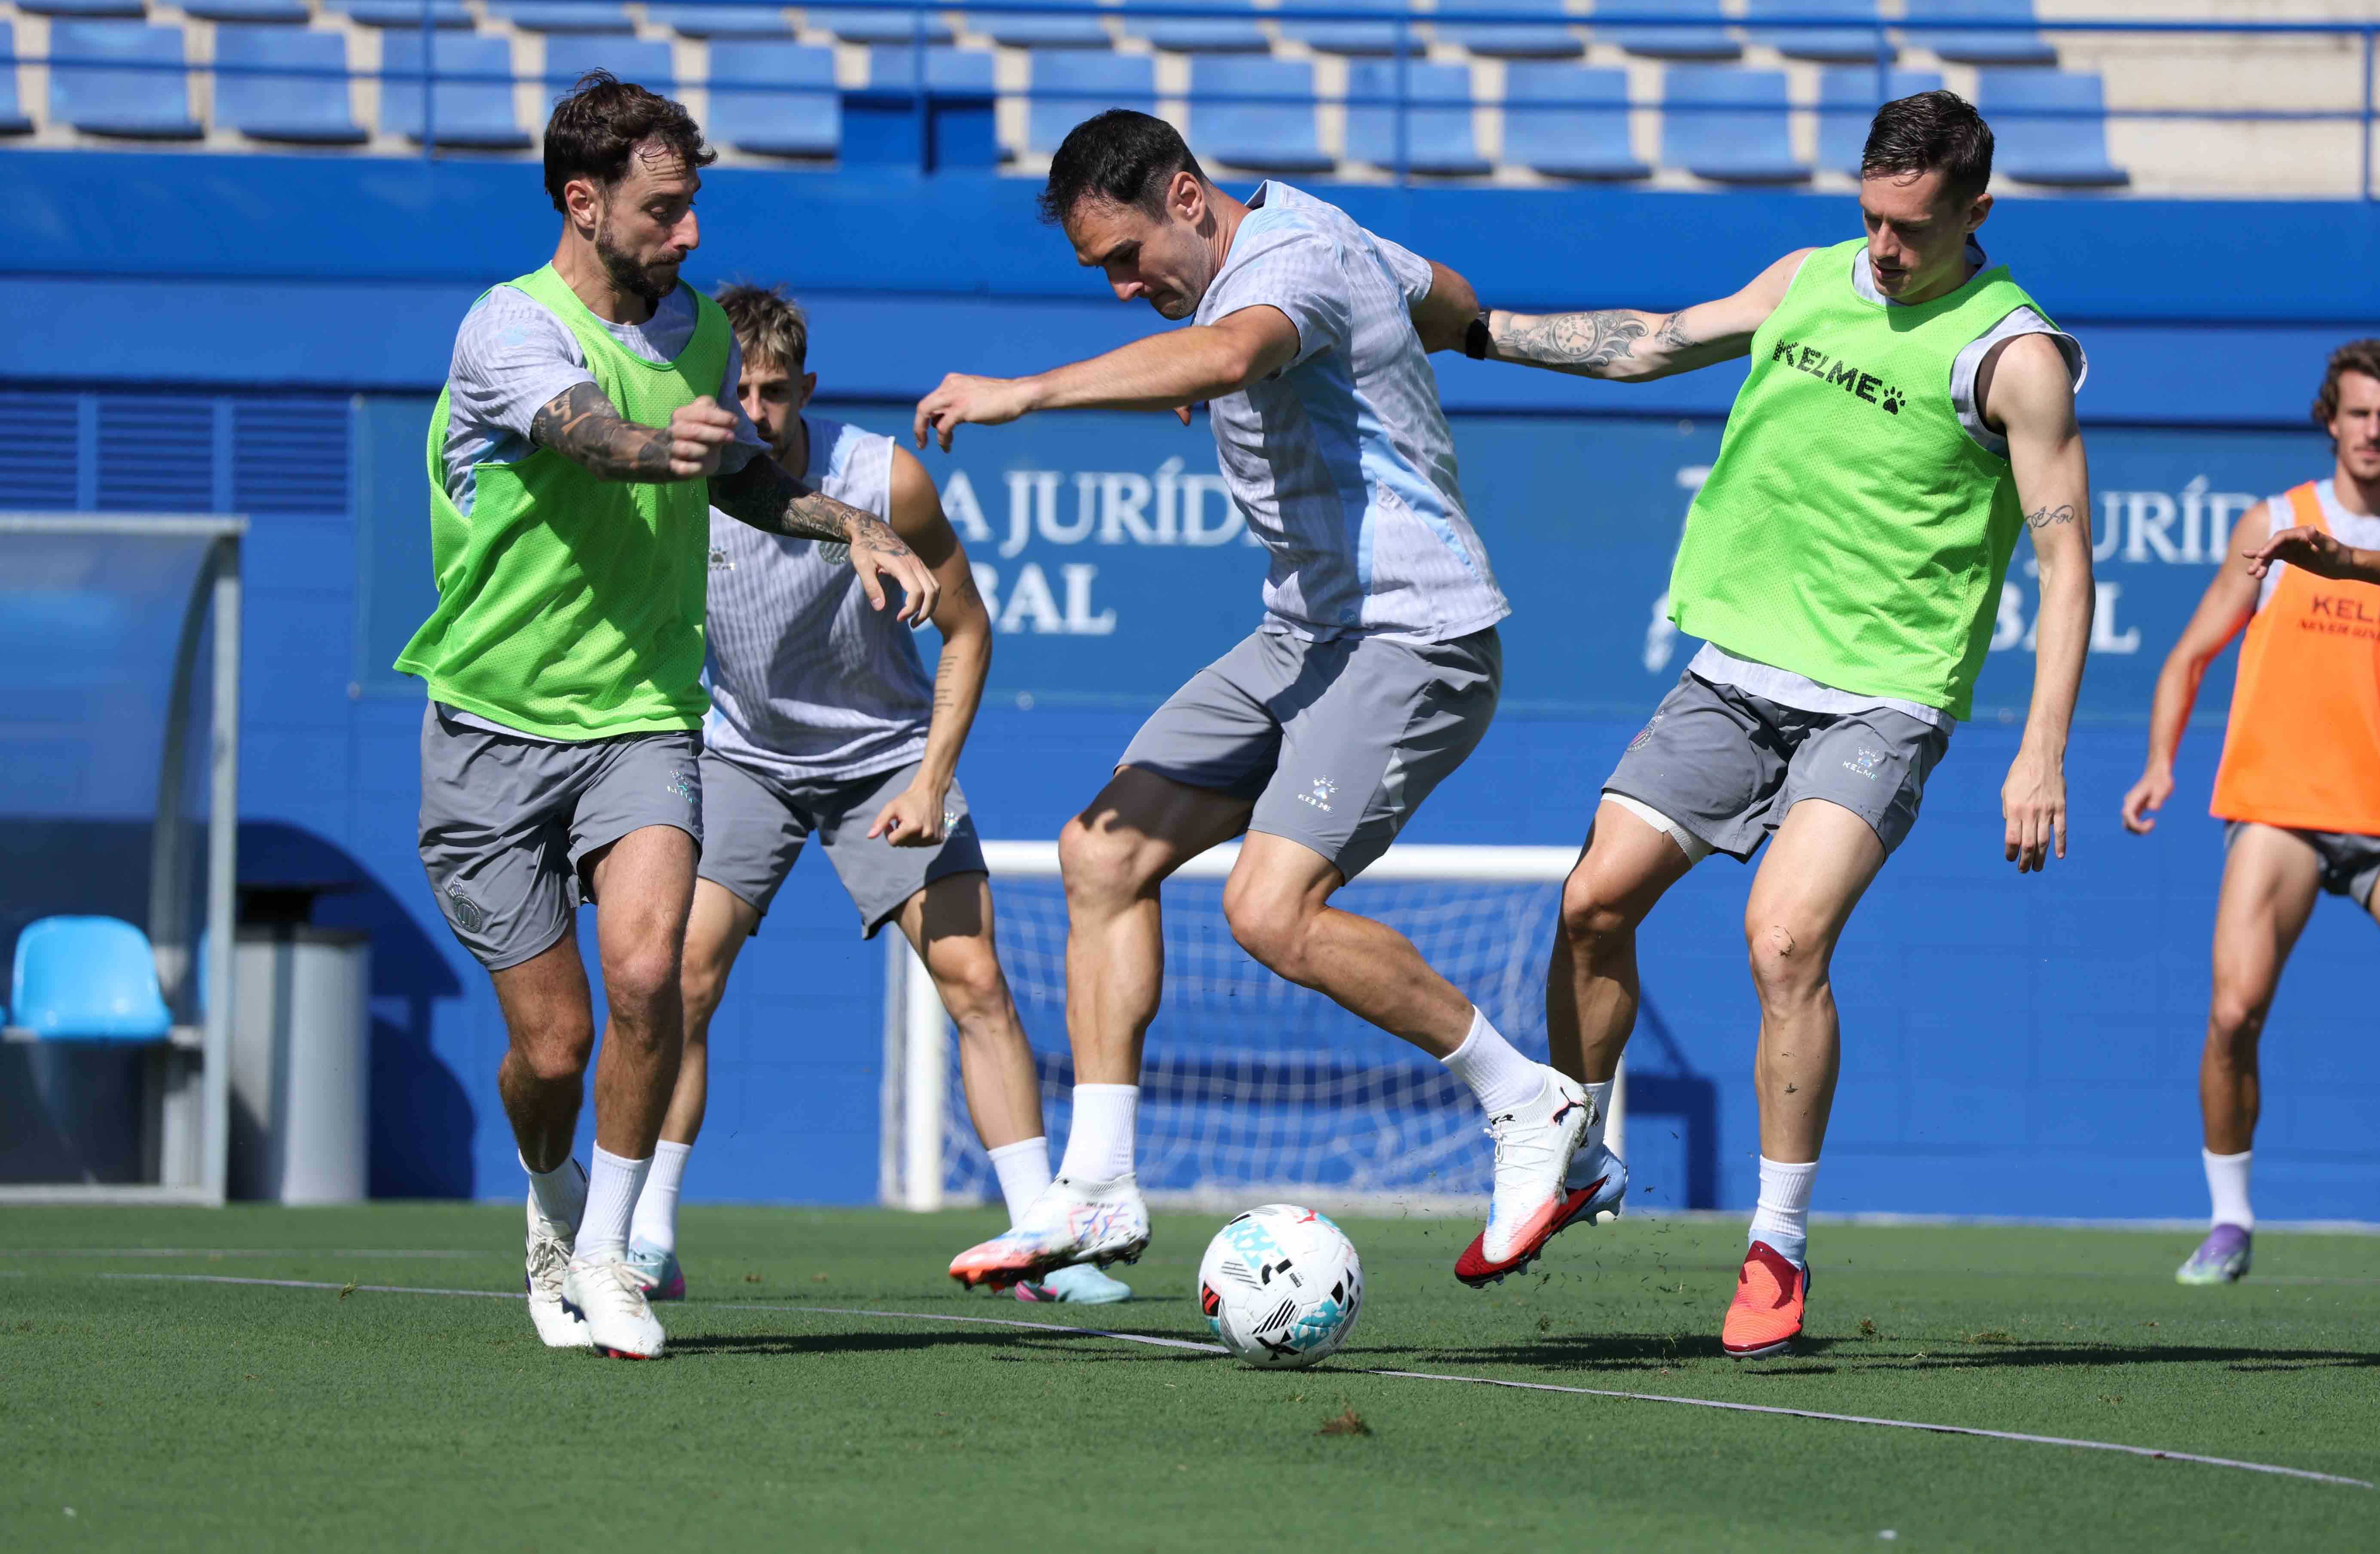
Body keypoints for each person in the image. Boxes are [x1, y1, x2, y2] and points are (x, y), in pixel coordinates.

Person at [913, 109, 1595, 1292]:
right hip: (1305, 634)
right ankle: (1097, 1185)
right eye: (1101, 271)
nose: (1123, 288)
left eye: (1127, 257)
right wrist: (1377, 353)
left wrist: (1028, 393)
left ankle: (1528, 1102)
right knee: (1100, 853)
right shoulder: (1314, 231)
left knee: (1269, 911)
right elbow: (1446, 299)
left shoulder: (1290, 260)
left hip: (1412, 637)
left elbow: (1235, 354)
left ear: (1186, 197)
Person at [1473, 91, 2093, 1355]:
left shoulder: (2013, 356)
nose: (1883, 248)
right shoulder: (1808, 278)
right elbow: (1649, 343)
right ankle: (1573, 1151)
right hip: (1736, 674)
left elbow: (2065, 561)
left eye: (1910, 228)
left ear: (1976, 209)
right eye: (1869, 218)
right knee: (1592, 903)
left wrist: (2041, 750)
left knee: (1782, 939)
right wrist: (1477, 333)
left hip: (1884, 694)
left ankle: (1775, 1247)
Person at [396, 73, 936, 1360]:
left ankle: (611, 1255)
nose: (688, 234)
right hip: (490, 723)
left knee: (649, 976)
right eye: (662, 210)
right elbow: (593, 437)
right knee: (553, 1049)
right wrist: (673, 446)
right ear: (582, 204)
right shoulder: (508, 331)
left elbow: (736, 479)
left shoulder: (694, 329)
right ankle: (552, 1203)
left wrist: (855, 524)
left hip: (642, 715)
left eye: (694, 206)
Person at [622, 284, 1126, 1306]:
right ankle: (645, 1240)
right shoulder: (677, 479)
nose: (754, 412)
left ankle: (1041, 1247)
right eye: (735, 392)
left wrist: (932, 780)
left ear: (806, 389)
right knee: (679, 980)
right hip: (743, 756)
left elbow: (969, 630)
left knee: (974, 978)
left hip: (887, 757)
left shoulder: (883, 478)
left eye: (772, 392)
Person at [2135, 341, 2380, 1280]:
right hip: (2278, 809)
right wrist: (2158, 764)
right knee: (2233, 1012)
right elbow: (2189, 655)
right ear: (2330, 419)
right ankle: (2229, 1220)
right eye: (2358, 413)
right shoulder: (2275, 523)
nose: (2372, 431)